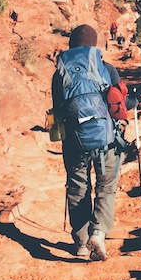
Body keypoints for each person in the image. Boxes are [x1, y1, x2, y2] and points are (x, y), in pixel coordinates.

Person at [52, 24, 124, 261]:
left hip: (75, 142)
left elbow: (57, 111)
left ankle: (81, 243)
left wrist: (62, 140)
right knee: (106, 187)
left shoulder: (60, 74)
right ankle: (99, 233)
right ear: (95, 45)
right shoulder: (106, 69)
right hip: (106, 141)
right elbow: (118, 106)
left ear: (71, 45)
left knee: (78, 188)